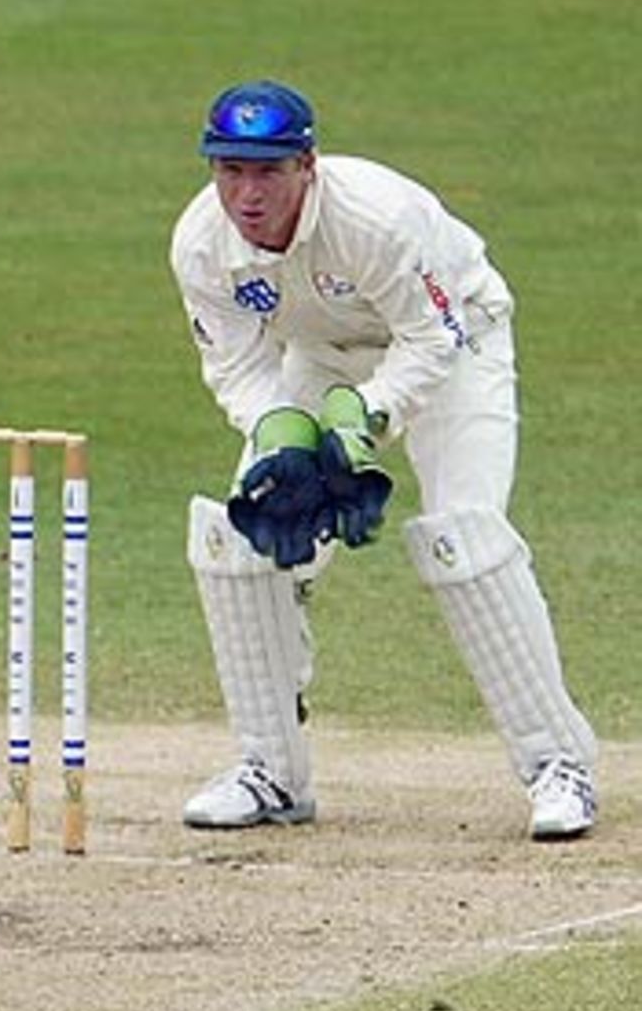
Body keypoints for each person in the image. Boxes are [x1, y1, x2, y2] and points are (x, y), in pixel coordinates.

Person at [169, 79, 597, 842]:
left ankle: (559, 766)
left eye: (267, 170)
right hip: (320, 358)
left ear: (308, 164)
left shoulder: (376, 219)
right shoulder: (202, 245)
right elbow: (235, 367)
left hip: (455, 343)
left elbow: (433, 341)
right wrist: (284, 436)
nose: (247, 193)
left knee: (462, 537)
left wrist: (366, 418)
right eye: (230, 170)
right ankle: (271, 771)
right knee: (246, 541)